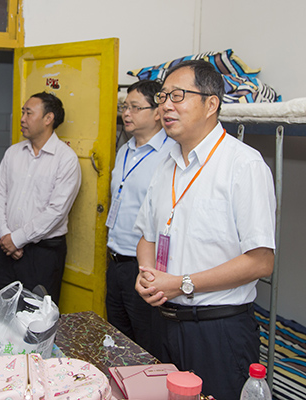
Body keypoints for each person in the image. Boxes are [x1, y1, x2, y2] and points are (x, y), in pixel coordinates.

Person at [134, 60, 276, 399]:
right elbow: (147, 237)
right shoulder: (165, 165)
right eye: (163, 96)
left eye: (178, 96)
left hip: (217, 331)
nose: (166, 106)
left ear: (211, 104)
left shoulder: (243, 165)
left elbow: (261, 262)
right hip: (163, 321)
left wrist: (181, 283)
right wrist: (148, 274)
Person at [106, 80, 176, 355]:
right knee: (117, 339)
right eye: (125, 107)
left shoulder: (170, 154)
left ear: (157, 112)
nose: (126, 113)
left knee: (145, 343)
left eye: (135, 107)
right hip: (115, 260)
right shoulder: (124, 150)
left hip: (144, 267)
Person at [0, 92, 81, 304]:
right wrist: (6, 236)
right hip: (7, 249)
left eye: (28, 113)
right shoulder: (13, 153)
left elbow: (56, 211)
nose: (22, 119)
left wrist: (17, 239)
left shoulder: (66, 159)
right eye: (22, 112)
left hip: (43, 253)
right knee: (2, 311)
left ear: (48, 118)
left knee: (37, 315)